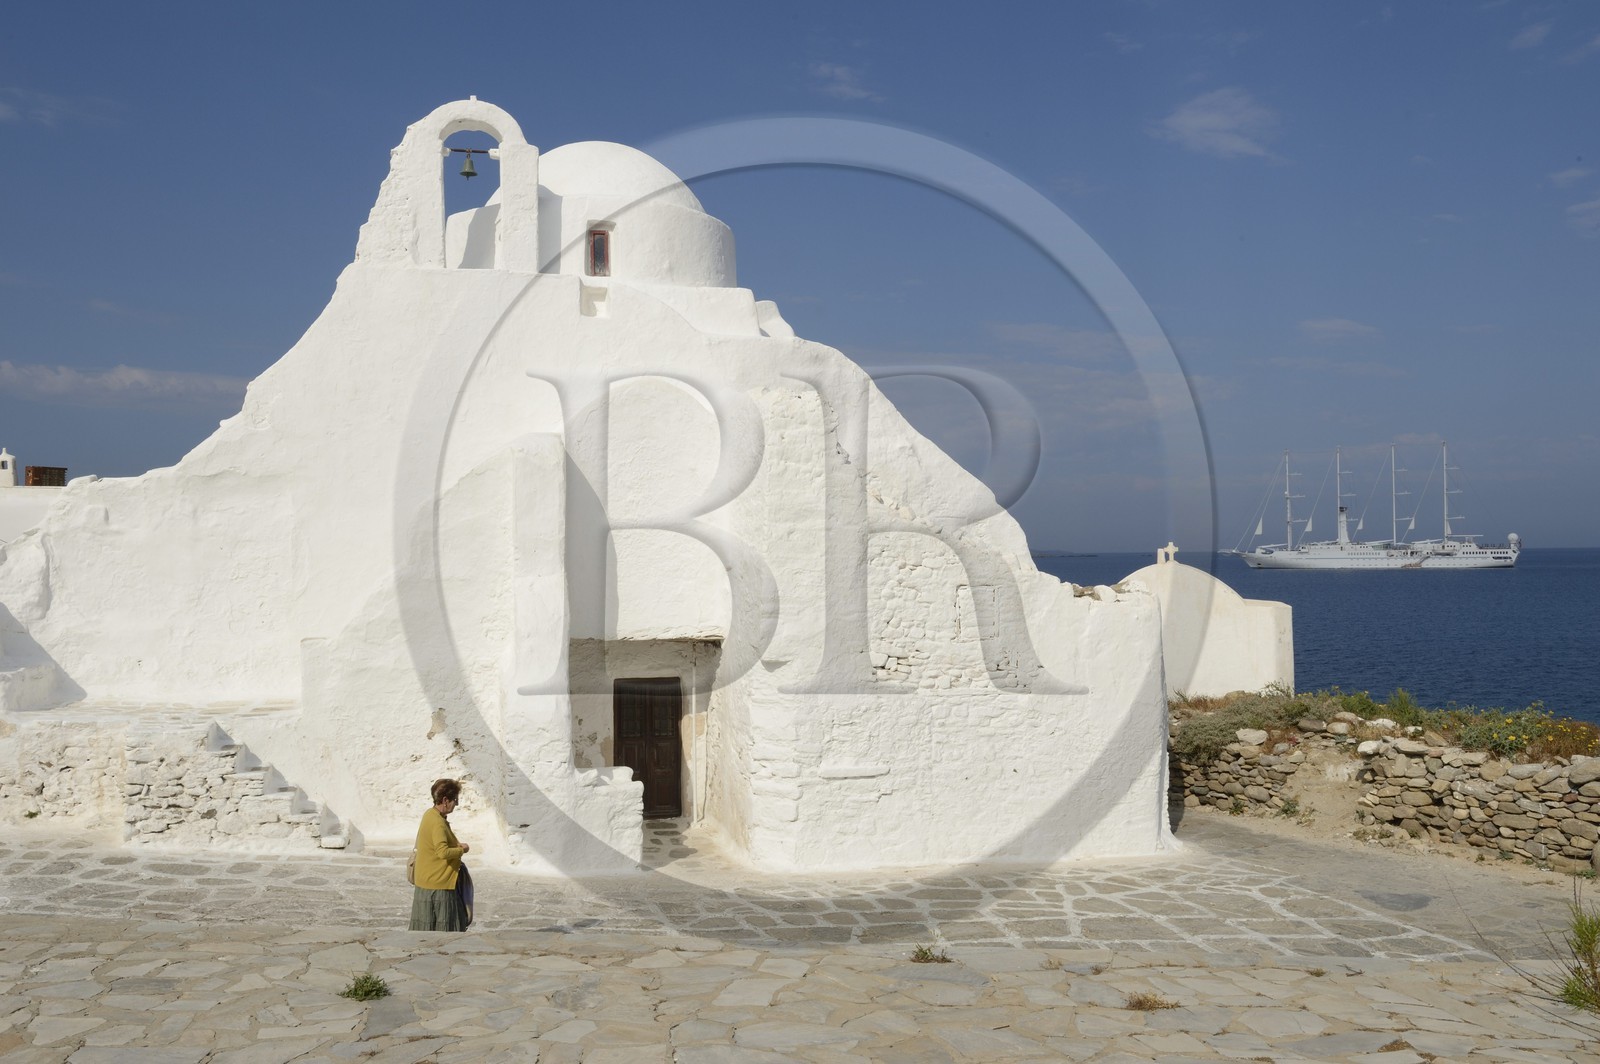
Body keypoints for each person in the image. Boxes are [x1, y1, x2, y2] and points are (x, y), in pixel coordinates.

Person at [409, 778, 472, 931]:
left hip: (426, 881)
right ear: (445, 800)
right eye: (455, 800)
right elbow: (442, 852)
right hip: (439, 885)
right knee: (445, 932)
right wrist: (462, 850)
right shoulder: (438, 823)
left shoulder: (429, 814)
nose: (456, 804)